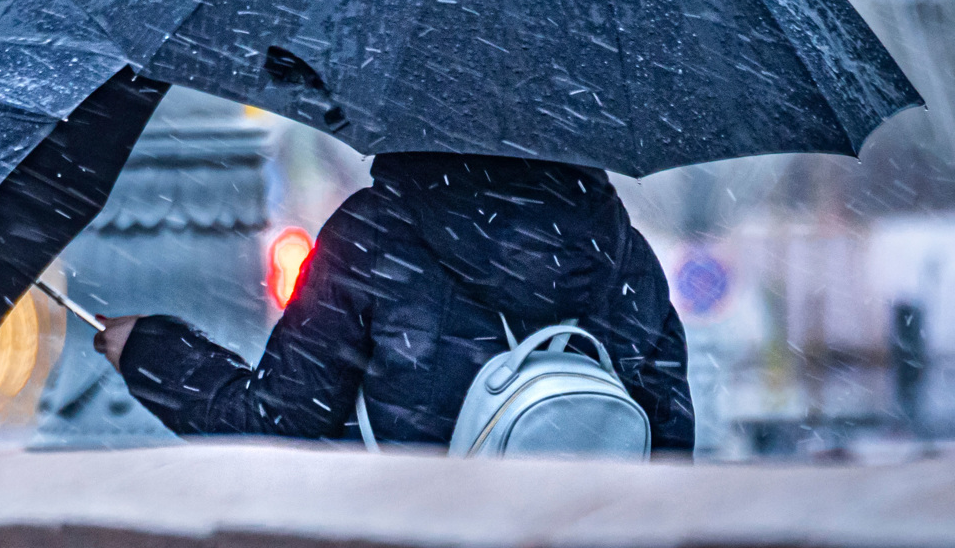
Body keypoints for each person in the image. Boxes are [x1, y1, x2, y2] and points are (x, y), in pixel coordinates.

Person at [94, 152, 695, 452]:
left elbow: (280, 424)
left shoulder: (374, 232)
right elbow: (668, 439)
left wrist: (151, 352)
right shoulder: (623, 252)